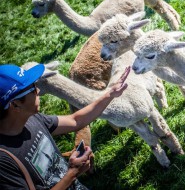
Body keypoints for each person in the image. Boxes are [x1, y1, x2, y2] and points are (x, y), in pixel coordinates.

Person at [0, 63, 130, 189]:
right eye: (32, 88)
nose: (38, 90)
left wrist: (110, 94)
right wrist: (73, 172)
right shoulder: (3, 160)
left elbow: (76, 121)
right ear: (15, 104)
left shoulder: (32, 120)